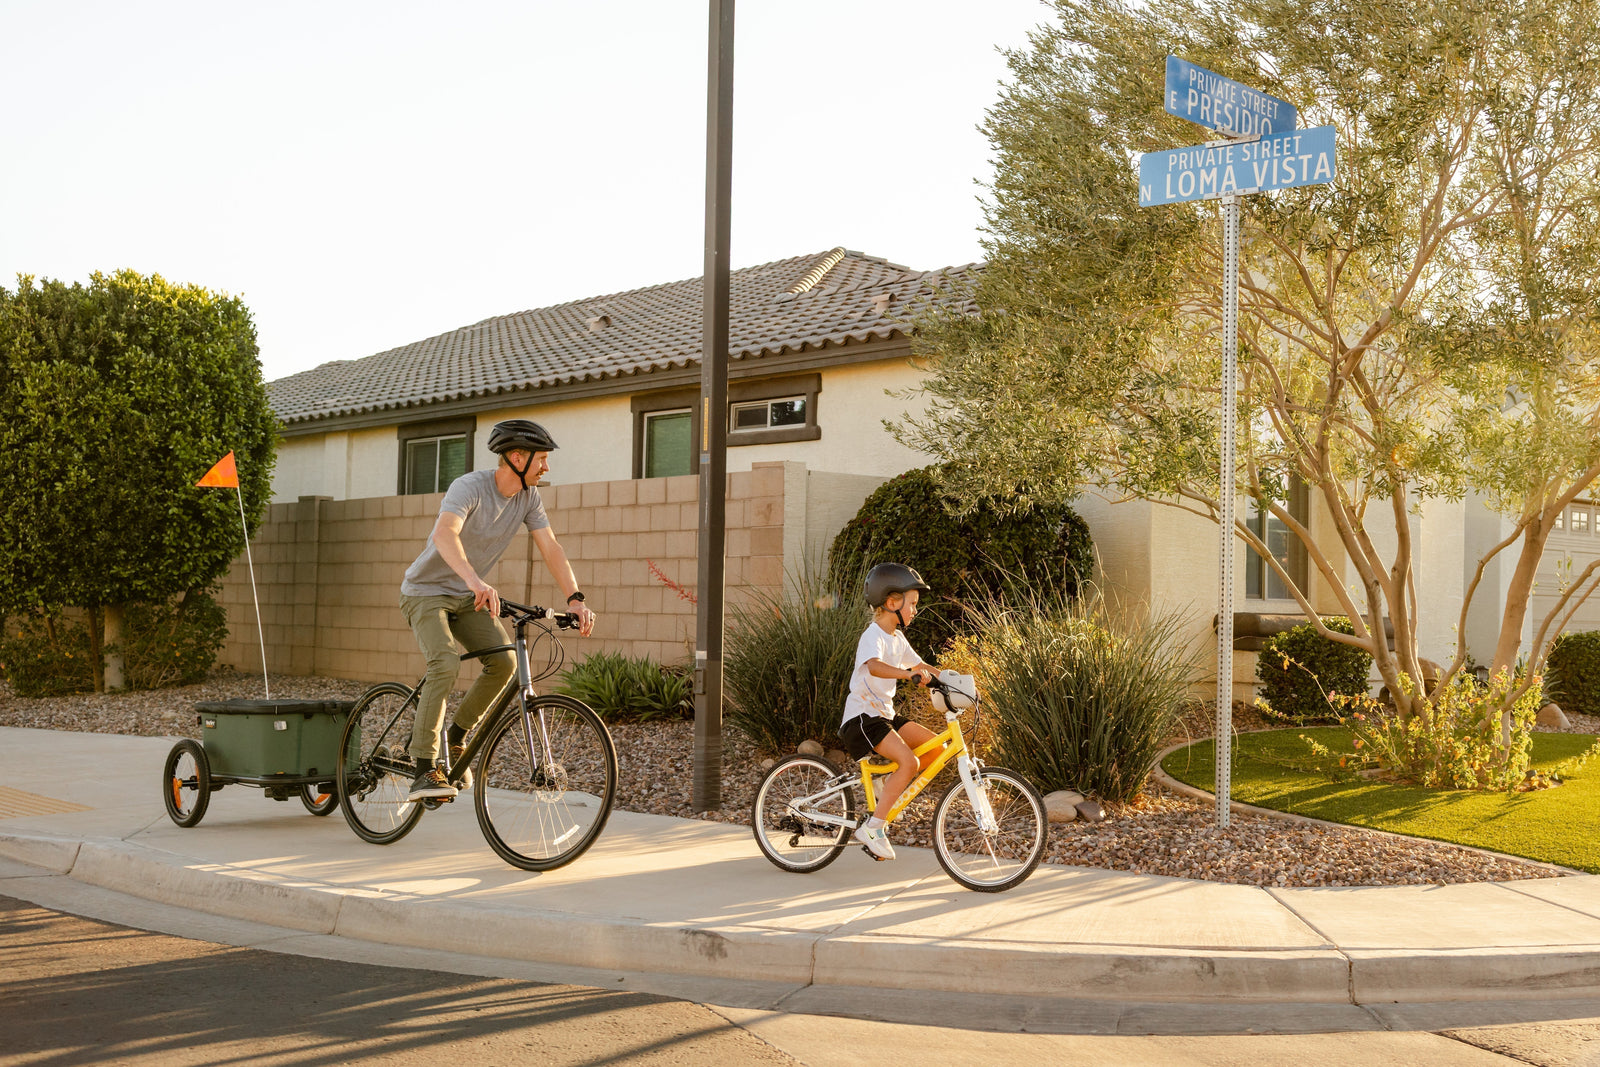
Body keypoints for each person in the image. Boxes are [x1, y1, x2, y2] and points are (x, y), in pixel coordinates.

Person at [398, 418, 595, 800]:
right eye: (542, 459)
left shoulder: (528, 498)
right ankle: (423, 767)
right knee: (445, 663)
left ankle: (455, 737)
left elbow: (550, 546)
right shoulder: (469, 487)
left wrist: (576, 598)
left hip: (468, 596)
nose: (546, 467)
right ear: (517, 457)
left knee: (505, 663)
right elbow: (444, 534)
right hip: (425, 592)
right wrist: (474, 581)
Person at [840, 562, 942, 860]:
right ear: (891, 602)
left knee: (936, 750)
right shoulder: (873, 634)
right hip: (863, 718)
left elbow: (921, 665)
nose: (914, 610)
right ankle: (873, 827)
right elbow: (874, 666)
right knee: (909, 763)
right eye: (912, 604)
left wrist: (953, 681)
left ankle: (887, 787)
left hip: (883, 715)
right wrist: (904, 674)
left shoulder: (897, 637)